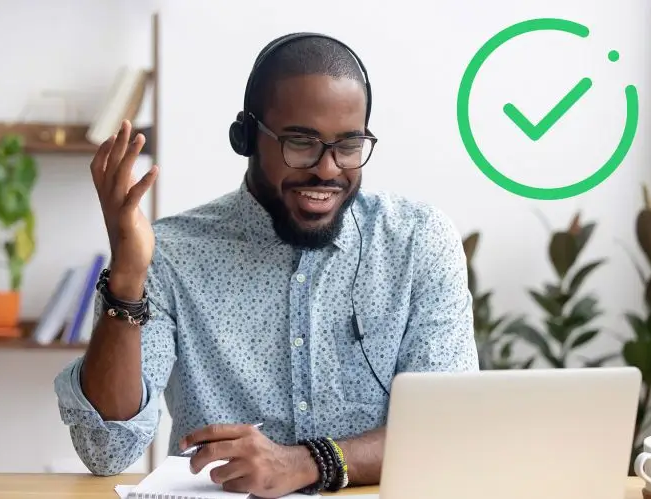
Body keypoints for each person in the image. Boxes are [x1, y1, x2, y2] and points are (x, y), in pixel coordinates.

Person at [54, 33, 478, 498]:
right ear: (246, 137)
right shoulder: (170, 254)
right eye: (301, 143)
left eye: (349, 145)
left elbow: (448, 433)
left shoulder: (417, 242)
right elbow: (105, 450)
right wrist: (129, 278)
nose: (329, 169)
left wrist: (307, 462)